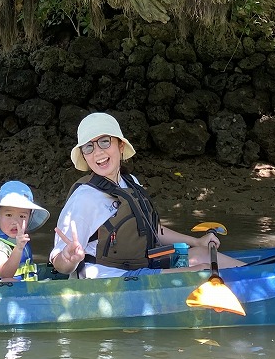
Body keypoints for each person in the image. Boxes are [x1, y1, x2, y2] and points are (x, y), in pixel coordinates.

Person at [49, 112, 244, 278]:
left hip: (141, 263)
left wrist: (196, 241)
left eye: (104, 142)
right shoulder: (84, 198)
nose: (97, 152)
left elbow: (151, 228)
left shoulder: (130, 182)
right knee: (202, 270)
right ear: (84, 155)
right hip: (112, 277)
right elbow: (59, 260)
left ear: (120, 146)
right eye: (88, 147)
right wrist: (68, 260)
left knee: (202, 254)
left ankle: (258, 274)